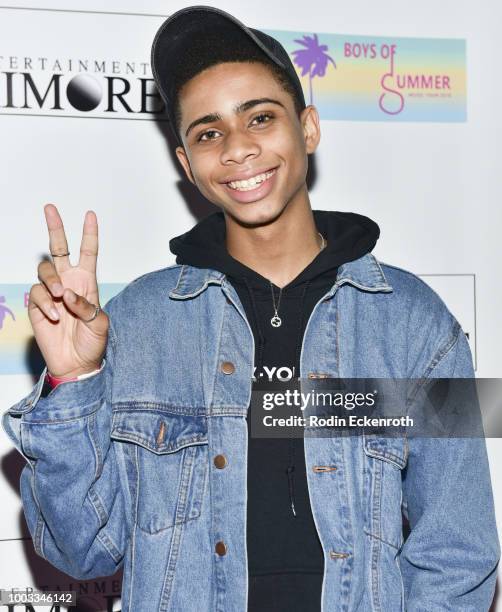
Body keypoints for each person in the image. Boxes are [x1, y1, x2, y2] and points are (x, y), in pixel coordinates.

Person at [2, 5, 500, 612]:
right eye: (208, 132)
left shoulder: (417, 324)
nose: (238, 148)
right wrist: (74, 381)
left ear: (308, 128)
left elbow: (460, 554)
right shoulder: (137, 323)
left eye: (260, 117)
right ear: (187, 163)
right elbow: (83, 553)